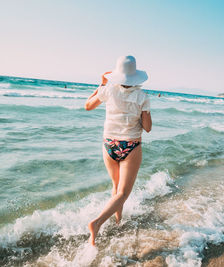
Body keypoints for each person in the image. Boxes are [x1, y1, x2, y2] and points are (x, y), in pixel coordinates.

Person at [84, 55, 152, 246]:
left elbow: (87, 106)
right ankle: (97, 223)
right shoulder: (142, 97)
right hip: (130, 145)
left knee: (116, 188)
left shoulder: (108, 91)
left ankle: (118, 221)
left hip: (109, 145)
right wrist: (144, 111)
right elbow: (147, 127)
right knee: (123, 193)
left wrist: (101, 84)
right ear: (135, 77)